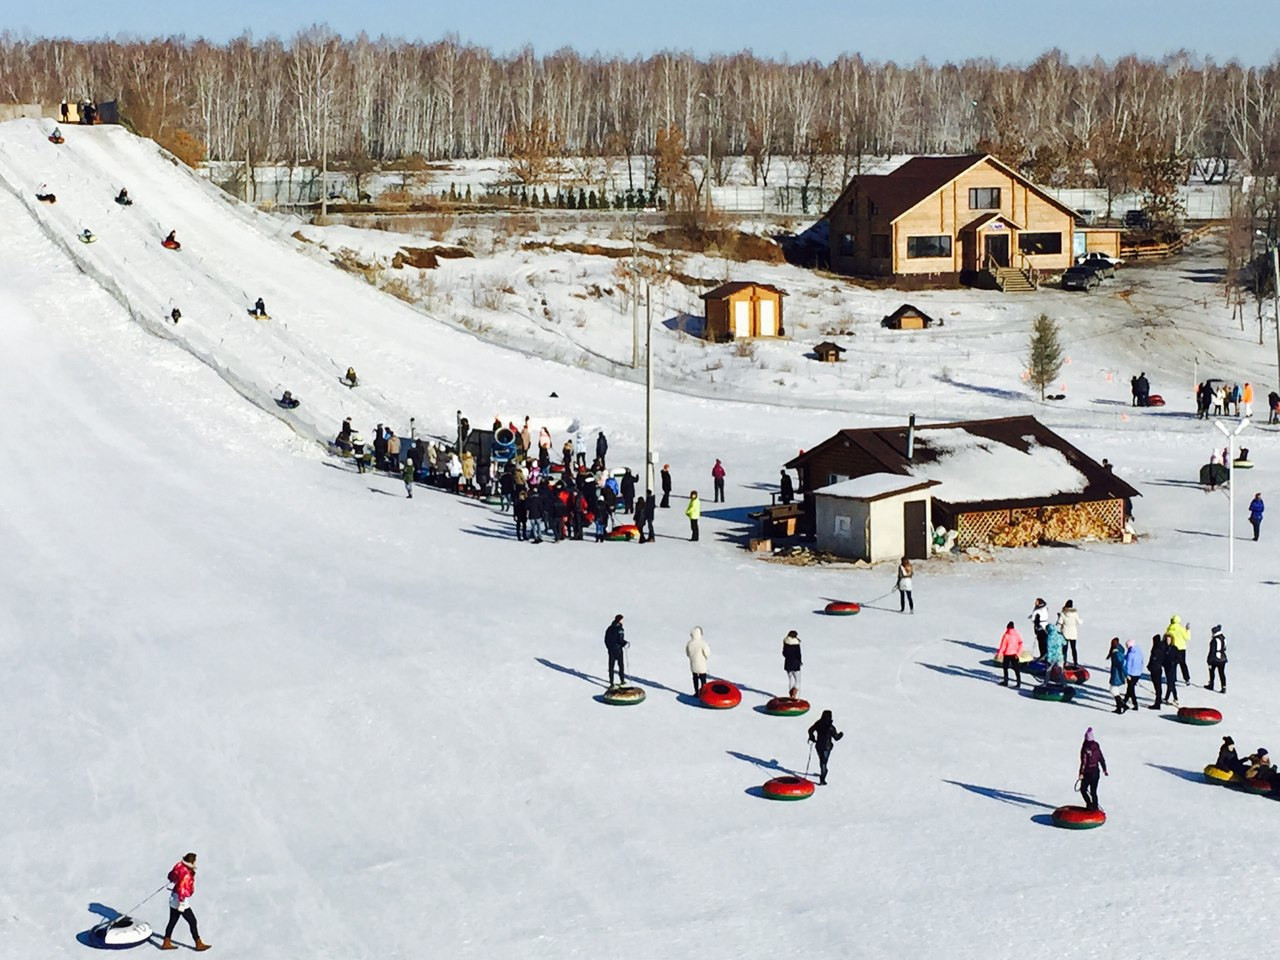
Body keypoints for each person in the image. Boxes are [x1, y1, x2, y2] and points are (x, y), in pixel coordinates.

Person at [160, 852, 210, 951]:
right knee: (192, 921)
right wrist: (182, 903)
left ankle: (166, 941)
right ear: (192, 861)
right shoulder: (187, 874)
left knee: (172, 921)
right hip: (180, 900)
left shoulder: (179, 866)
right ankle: (198, 943)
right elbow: (182, 889)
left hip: (173, 898)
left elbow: (171, 876)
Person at [807, 710, 843, 786]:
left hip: (818, 746)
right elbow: (836, 738)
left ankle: (823, 772)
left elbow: (810, 730)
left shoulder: (818, 723)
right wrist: (841, 734)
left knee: (822, 761)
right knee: (824, 763)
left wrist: (812, 737)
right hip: (826, 747)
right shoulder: (830, 727)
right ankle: (822, 779)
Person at [1078, 729, 1108, 812]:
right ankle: (1095, 807)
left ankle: (1089, 805)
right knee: (1093, 791)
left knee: (1083, 789)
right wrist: (1104, 769)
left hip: (1088, 773)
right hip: (1096, 772)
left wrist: (1081, 773)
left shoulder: (1085, 747)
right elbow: (1101, 758)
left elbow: (1084, 762)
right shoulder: (1096, 746)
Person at [995, 621, 1023, 687]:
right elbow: (1021, 644)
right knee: (1016, 669)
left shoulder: (1006, 635)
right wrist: (1018, 653)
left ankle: (1006, 681)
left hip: (1007, 654)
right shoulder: (1017, 634)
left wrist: (999, 653)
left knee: (1005, 668)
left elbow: (1003, 646)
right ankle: (1018, 682)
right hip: (1015, 654)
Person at [1164, 614, 1190, 684]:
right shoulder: (1181, 629)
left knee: (1173, 664)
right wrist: (1187, 630)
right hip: (1181, 649)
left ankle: (1173, 678)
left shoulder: (1169, 629)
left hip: (1172, 649)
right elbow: (1187, 638)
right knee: (1183, 664)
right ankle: (1187, 678)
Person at [604, 614, 627, 687]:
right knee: (621, 665)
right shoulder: (620, 629)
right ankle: (622, 680)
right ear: (619, 620)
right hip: (618, 650)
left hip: (611, 650)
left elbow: (606, 639)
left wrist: (609, 648)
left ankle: (611, 683)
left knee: (611, 666)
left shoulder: (609, 628)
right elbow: (620, 640)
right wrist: (624, 643)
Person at [686, 626, 710, 694]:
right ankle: (703, 693)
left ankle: (696, 692)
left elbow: (687, 653)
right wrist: (705, 658)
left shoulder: (689, 643)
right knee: (703, 679)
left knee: (695, 678)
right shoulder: (703, 643)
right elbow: (707, 653)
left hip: (693, 664)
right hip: (702, 664)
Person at [1057, 600, 1082, 665]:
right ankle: (1075, 662)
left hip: (1065, 633)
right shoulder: (1075, 613)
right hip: (1073, 633)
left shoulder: (1063, 613)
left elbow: (1060, 622)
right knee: (1073, 648)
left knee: (1064, 649)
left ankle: (1064, 662)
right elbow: (1079, 622)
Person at [1146, 633, 1167, 709]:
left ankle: (1157, 703)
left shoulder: (1156, 649)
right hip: (1158, 669)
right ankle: (1158, 700)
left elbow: (1153, 659)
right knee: (1158, 686)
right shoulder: (1161, 647)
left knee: (1157, 686)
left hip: (1155, 669)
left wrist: (1150, 666)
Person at [1107, 638, 1128, 714]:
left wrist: (1126, 674)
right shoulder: (1120, 651)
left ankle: (1122, 705)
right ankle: (1119, 706)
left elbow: (1120, 665)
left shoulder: (1116, 654)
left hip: (1116, 674)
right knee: (1115, 690)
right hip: (1117, 673)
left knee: (1113, 690)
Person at [1123, 638, 1143, 711]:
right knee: (1130, 688)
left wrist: (1127, 674)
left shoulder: (1130, 653)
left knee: (1131, 689)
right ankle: (1124, 701)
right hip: (1138, 673)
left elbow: (1128, 664)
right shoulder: (1138, 651)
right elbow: (1141, 662)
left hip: (1131, 674)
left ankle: (1135, 704)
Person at [1205, 624, 1227, 693]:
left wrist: (1209, 661)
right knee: (1222, 673)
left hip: (1215, 659)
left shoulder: (1214, 640)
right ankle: (1224, 687)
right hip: (1223, 658)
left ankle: (1211, 685)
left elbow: (1212, 651)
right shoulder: (1223, 638)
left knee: (1212, 672)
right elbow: (1224, 648)